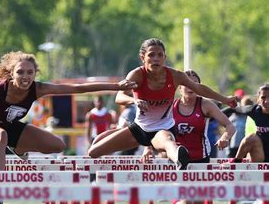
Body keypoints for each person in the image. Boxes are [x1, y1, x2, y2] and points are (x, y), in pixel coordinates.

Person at [0, 51, 137, 204]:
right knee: (0, 135)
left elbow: (78, 88)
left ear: (35, 74)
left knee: (57, 145)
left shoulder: (38, 89)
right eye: (21, 73)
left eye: (30, 73)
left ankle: (18, 150)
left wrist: (115, 86)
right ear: (11, 74)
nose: (25, 77)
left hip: (11, 127)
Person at [88, 38, 238, 170]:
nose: (156, 59)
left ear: (164, 57)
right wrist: (134, 101)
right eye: (151, 55)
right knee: (93, 152)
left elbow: (199, 88)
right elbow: (119, 97)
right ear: (143, 58)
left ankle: (180, 159)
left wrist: (224, 99)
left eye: (160, 55)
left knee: (168, 142)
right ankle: (120, 133)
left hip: (163, 128)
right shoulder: (137, 75)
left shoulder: (175, 76)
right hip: (140, 128)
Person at [143, 69, 236, 204]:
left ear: (198, 87)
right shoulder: (170, 106)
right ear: (179, 87)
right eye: (186, 83)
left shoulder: (206, 105)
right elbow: (152, 129)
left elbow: (230, 125)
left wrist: (226, 137)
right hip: (179, 160)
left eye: (194, 83)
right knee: (188, 199)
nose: (190, 87)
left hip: (201, 158)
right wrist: (147, 148)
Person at [225, 84, 269, 204]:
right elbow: (233, 110)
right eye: (263, 97)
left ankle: (260, 195)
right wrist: (208, 115)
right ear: (258, 98)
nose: (267, 101)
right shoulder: (255, 110)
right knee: (252, 138)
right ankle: (236, 162)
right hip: (260, 155)